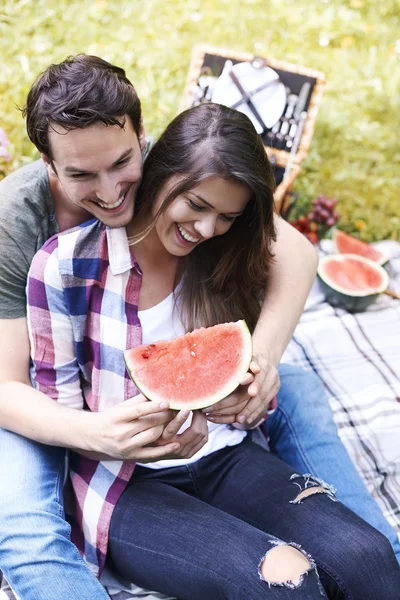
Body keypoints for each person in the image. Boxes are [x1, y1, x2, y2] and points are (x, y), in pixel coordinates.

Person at [0, 55, 398, 600]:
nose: (111, 190)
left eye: (121, 165)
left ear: (145, 145)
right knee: (285, 585)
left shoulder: (216, 231)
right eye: (82, 174)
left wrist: (257, 366)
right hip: (125, 479)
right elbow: (31, 391)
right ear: (50, 165)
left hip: (223, 451)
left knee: (370, 560)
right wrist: (107, 433)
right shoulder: (56, 257)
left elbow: (293, 252)